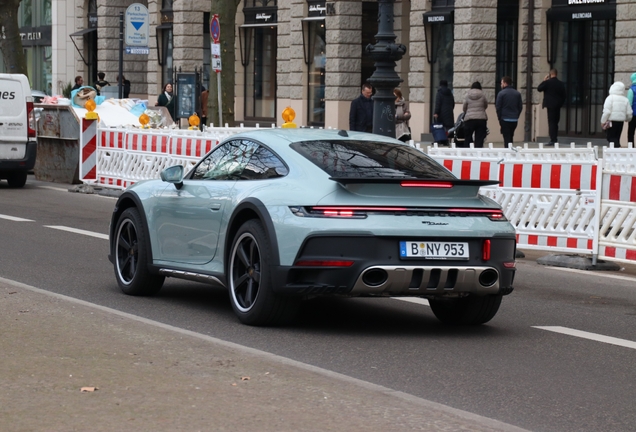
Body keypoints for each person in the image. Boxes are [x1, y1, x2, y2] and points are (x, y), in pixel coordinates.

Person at [537, 68, 566, 146]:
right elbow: (564, 95)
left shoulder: (547, 83)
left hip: (550, 105)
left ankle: (553, 139)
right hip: (557, 106)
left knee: (551, 122)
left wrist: (544, 80)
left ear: (550, 74)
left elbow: (539, 88)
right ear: (556, 74)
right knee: (556, 122)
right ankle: (554, 138)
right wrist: (560, 103)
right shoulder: (561, 83)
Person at [600, 81, 633, 148]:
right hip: (621, 122)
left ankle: (616, 149)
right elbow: (629, 113)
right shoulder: (625, 99)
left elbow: (606, 112)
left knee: (610, 137)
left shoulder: (610, 98)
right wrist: (627, 119)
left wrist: (603, 121)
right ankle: (616, 150)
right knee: (617, 137)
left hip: (611, 121)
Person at [496, 76, 523, 146]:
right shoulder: (517, 94)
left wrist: (499, 118)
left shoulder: (501, 93)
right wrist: (516, 115)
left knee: (506, 137)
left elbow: (498, 107)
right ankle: (510, 149)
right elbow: (520, 107)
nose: (501, 85)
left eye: (501, 83)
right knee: (511, 136)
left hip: (505, 118)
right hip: (514, 119)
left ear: (505, 83)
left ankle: (508, 152)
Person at [462, 81, 488, 148]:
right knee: (479, 138)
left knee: (468, 137)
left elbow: (464, 107)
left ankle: (467, 152)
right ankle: (478, 152)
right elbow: (485, 105)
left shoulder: (467, 95)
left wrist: (467, 112)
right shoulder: (483, 94)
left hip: (469, 119)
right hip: (481, 119)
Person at [433, 80, 455, 146]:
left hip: (441, 113)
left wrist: (436, 112)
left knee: (440, 127)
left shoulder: (439, 93)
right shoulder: (450, 93)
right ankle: (447, 140)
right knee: (448, 127)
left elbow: (438, 103)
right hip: (449, 112)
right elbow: (453, 103)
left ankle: (441, 140)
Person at [627, 73, 636, 145]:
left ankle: (631, 147)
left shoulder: (631, 90)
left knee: (631, 132)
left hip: (633, 114)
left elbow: (629, 103)